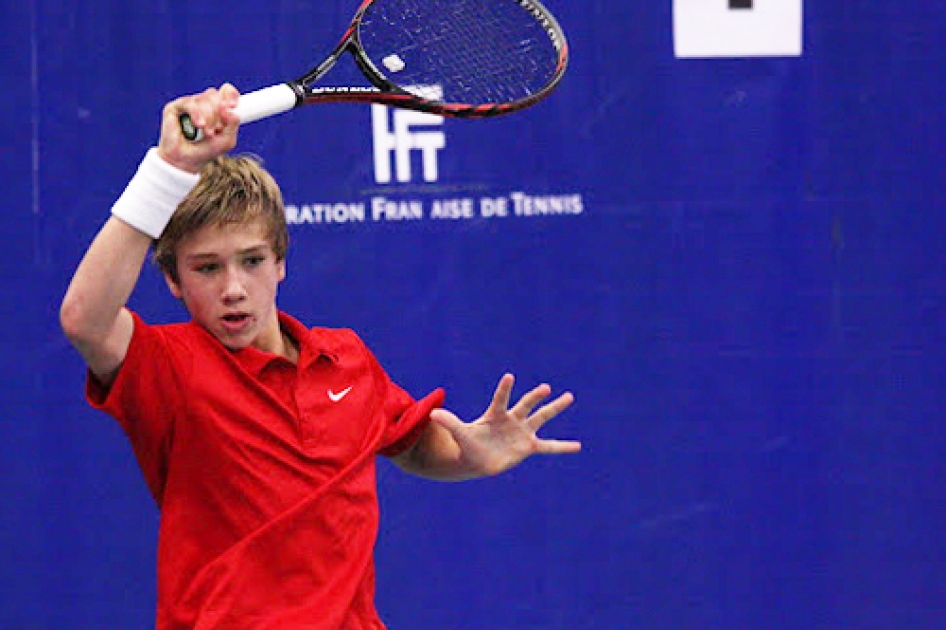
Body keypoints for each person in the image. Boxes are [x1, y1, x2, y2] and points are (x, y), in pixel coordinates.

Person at [59, 83, 581, 630]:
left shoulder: (347, 359)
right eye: (207, 268)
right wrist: (168, 168)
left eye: (252, 261)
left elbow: (410, 444)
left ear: (280, 262)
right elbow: (84, 319)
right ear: (172, 281)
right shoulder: (167, 368)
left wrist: (468, 457)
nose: (233, 288)